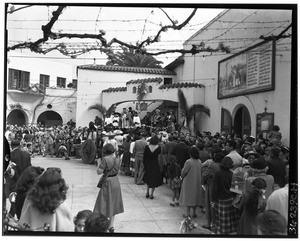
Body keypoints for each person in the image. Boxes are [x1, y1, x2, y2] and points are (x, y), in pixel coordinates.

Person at [93, 143, 124, 233]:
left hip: (107, 182)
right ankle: (111, 226)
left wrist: (99, 163)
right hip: (115, 181)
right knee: (113, 204)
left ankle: (104, 225)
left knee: (104, 204)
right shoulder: (117, 160)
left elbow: (99, 172)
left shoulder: (105, 159)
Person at [212, 156, 239, 235]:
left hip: (220, 200)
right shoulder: (232, 174)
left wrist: (212, 200)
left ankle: (222, 233)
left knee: (221, 219)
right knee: (230, 218)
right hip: (230, 199)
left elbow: (215, 188)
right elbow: (235, 189)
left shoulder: (217, 174)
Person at [6, 139, 32, 217]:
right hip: (24, 179)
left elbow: (9, 170)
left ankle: (12, 213)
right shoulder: (27, 154)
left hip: (14, 180)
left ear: (11, 146)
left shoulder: (10, 154)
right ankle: (18, 214)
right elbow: (29, 167)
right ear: (20, 145)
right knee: (22, 196)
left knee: (13, 196)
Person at [179, 146, 203, 218]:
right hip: (197, 181)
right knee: (195, 197)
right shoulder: (199, 161)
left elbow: (184, 172)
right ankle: (194, 213)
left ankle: (188, 213)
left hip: (189, 181)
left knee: (188, 197)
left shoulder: (189, 162)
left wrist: (181, 177)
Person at [143, 135, 163, 199]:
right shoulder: (159, 147)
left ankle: (147, 192)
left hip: (148, 163)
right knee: (154, 179)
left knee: (148, 178)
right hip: (155, 164)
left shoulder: (147, 147)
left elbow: (144, 157)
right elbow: (159, 156)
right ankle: (152, 194)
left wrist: (144, 164)